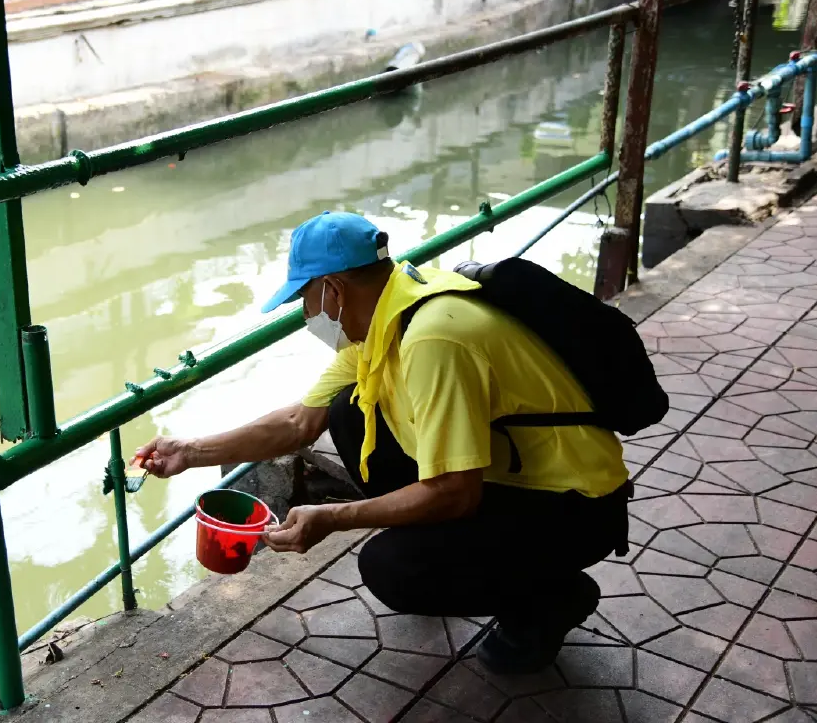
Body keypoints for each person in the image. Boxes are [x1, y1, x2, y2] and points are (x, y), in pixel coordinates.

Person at [133, 211, 632, 674]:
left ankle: (551, 597)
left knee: (392, 567)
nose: (306, 315)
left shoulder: (433, 339)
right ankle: (484, 555)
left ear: (332, 290)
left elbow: (457, 491)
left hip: (574, 505)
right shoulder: (391, 314)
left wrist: (332, 518)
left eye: (303, 300)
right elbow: (298, 422)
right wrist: (192, 452)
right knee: (348, 413)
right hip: (511, 476)